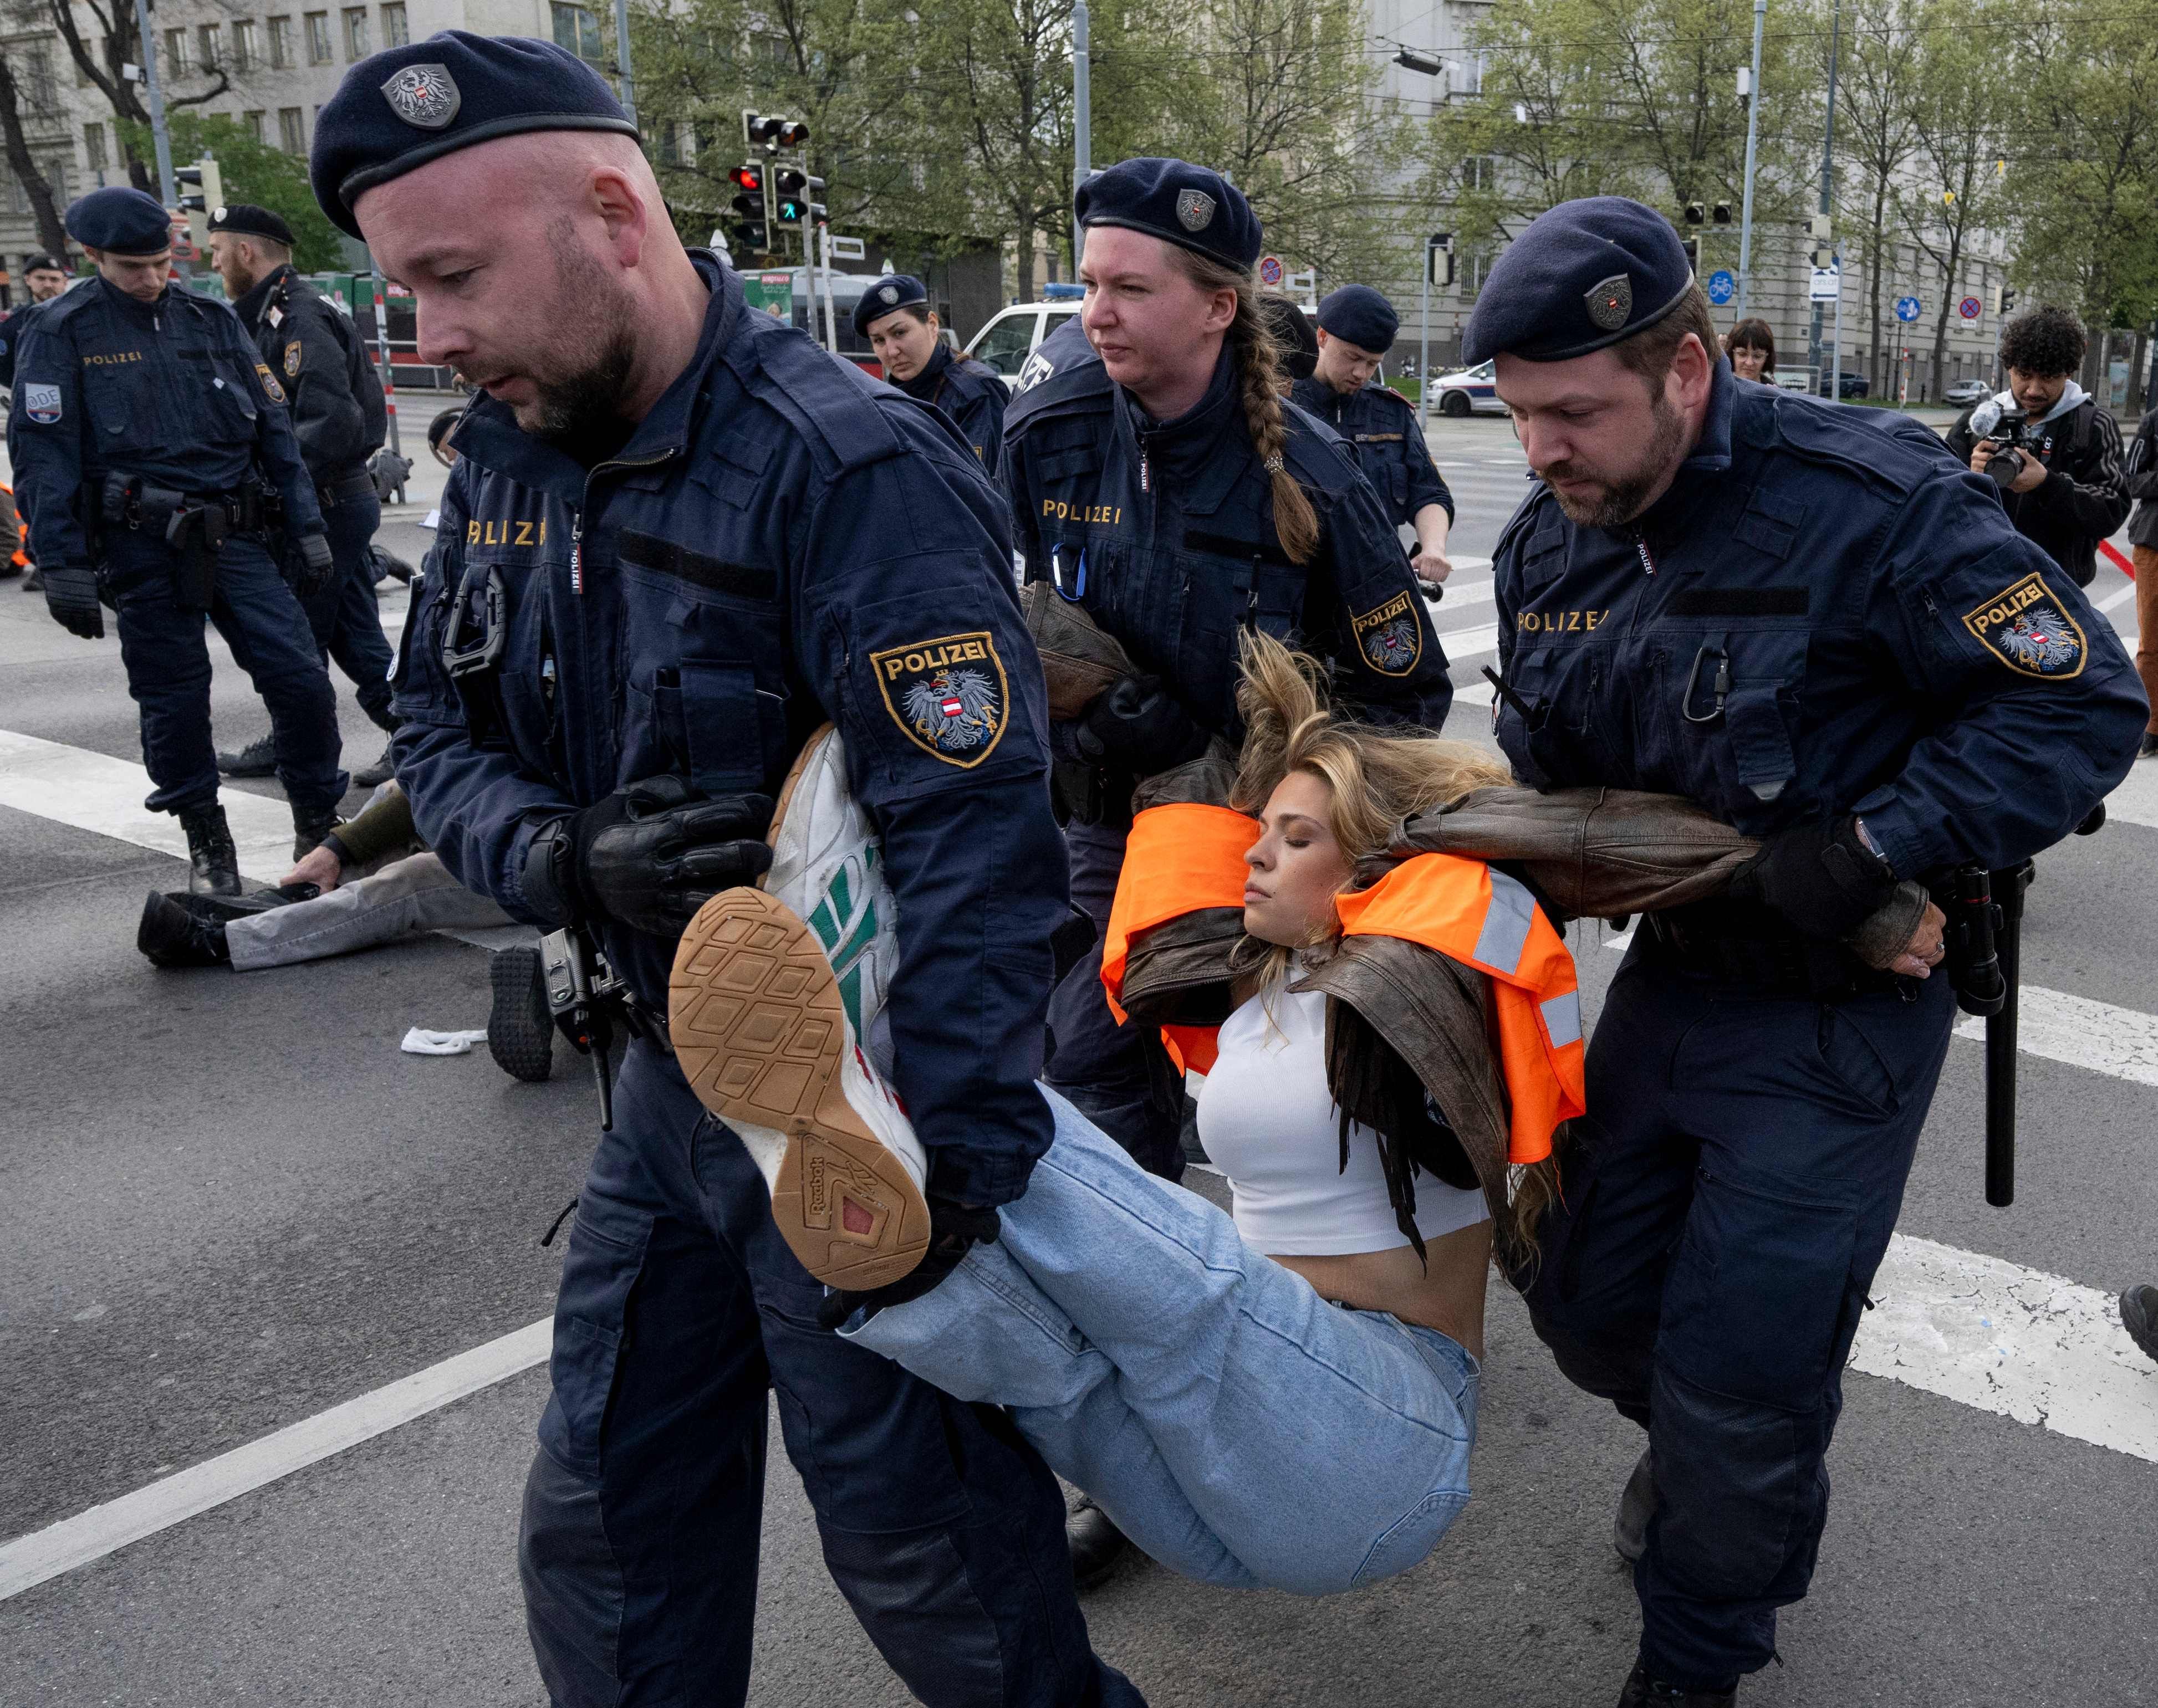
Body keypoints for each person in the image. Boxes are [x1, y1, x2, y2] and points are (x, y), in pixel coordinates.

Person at [309, 31, 1141, 1708]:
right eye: (406, 292)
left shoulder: (852, 472)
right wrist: (558, 855)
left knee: (935, 1568)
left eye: (453, 278)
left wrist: (949, 1190)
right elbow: (435, 731)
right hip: (661, 1107)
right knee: (610, 1530)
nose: (430, 336)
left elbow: (981, 861)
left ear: (612, 211)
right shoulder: (505, 463)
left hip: (858, 1120)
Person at [1468, 196, 2145, 1706]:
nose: (1540, 453)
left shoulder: (1866, 504)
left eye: (1572, 413)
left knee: (1738, 1381)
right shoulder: (1543, 546)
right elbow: (1552, 778)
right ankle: (1721, 1464)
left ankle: (1700, 1642)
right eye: (1517, 418)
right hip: (1674, 982)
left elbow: (2080, 707)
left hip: (1838, 1010)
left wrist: (1865, 850)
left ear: (1686, 374)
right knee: (1581, 1302)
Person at [669, 634, 1547, 1599]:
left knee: (1188, 1292)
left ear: (1376, 858)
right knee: (1059, 1378)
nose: (1255, 854)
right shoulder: (1253, 986)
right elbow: (1187, 832)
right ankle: (909, 1259)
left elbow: (1483, 914)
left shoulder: (1420, 990)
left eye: (1296, 839)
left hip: (1377, 1432)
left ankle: (884, 1063)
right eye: (1261, 831)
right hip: (1237, 1506)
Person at [1004, 157, 1453, 1186]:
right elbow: (1003, 638)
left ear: (1217, 307)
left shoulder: (1311, 477)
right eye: (1088, 286)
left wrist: (1279, 793)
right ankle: (1140, 1287)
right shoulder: (1048, 438)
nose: (1096, 314)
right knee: (1085, 1066)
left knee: (1125, 1069)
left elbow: (1406, 700)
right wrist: (1088, 725)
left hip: (1249, 841)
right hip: (1099, 827)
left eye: (1129, 289)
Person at [9, 187, 346, 895]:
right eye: (133, 266)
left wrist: (309, 527)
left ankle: (317, 823)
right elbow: (45, 453)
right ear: (92, 257)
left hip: (237, 535)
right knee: (174, 701)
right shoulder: (62, 328)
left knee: (301, 681)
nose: (152, 279)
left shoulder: (210, 318)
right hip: (142, 545)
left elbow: (274, 430)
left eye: (162, 263)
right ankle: (207, 841)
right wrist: (61, 558)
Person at [205, 204, 399, 790]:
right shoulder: (270, 314)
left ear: (246, 253)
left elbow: (331, 424)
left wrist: (272, 481)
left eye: (217, 252)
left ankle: (306, 748)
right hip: (326, 502)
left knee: (296, 640)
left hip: (325, 501)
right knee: (350, 629)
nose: (213, 264)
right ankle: (411, 731)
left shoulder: (300, 317)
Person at [1945, 305, 2130, 587]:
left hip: (2057, 589)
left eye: (2047, 377)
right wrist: (1968, 477)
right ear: (2009, 368)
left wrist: (2046, 484)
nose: (2033, 389)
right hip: (1978, 583)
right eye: (2024, 375)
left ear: (2068, 373)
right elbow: (1934, 499)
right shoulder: (1978, 423)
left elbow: (2111, 509)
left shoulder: (2092, 425)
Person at [1290, 284, 1456, 589]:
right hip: (1298, 584)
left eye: (1372, 363)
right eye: (1352, 357)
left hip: (1375, 584)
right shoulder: (1282, 405)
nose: (1361, 373)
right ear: (1322, 337)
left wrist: (1433, 549)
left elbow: (1428, 491)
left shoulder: (1391, 412)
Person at [854, 274, 1007, 473]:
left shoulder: (976, 392)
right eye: (879, 341)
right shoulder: (886, 396)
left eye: (899, 333)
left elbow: (986, 488)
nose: (892, 351)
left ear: (932, 324)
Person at [2119, 400, 2158, 756]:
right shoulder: (2154, 422)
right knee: (2152, 642)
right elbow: (2131, 479)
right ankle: (2151, 727)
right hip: (2155, 544)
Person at [1722, 318, 1774, 383]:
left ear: (1767, 358)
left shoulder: (1775, 393)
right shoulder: (1715, 390)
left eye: (1758, 356)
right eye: (1742, 354)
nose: (1749, 363)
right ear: (1732, 354)